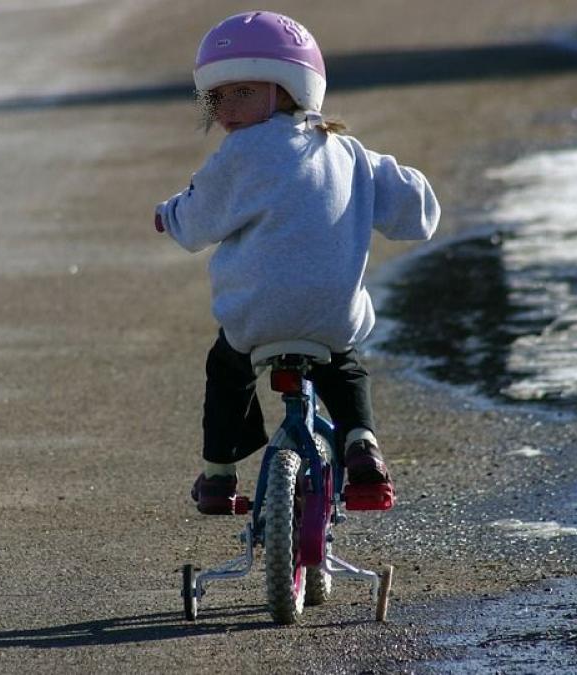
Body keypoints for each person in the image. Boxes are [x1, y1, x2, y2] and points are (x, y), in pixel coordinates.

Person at [155, 11, 440, 515]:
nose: (227, 108)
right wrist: (414, 195)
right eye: (218, 96)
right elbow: (416, 211)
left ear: (291, 89)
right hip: (333, 317)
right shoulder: (349, 154)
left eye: (243, 92)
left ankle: (219, 476)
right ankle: (362, 445)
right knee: (344, 366)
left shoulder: (240, 154)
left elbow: (196, 220)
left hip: (256, 319)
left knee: (228, 368)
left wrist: (168, 215)